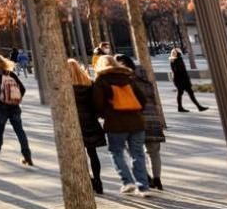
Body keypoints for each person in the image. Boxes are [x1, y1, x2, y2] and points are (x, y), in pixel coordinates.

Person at [91, 54, 150, 196]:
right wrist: (135, 111)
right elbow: (142, 100)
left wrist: (106, 113)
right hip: (136, 122)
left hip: (115, 124)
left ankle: (127, 181)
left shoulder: (101, 80)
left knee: (116, 152)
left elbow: (97, 104)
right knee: (138, 154)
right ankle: (143, 187)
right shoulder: (128, 78)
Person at [120, 54, 166, 191]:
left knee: (134, 152)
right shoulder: (146, 81)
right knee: (154, 152)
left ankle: (147, 177)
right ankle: (157, 179)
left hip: (135, 121)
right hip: (152, 120)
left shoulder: (126, 82)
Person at [0, 53, 32, 166]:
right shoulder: (10, 73)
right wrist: (16, 99)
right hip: (14, 106)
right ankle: (27, 157)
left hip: (1, 107)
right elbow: (23, 89)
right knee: (19, 131)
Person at [67, 59, 106, 195]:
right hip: (90, 122)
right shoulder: (89, 83)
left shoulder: (67, 87)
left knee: (79, 155)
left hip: (75, 123)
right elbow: (96, 102)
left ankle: (89, 180)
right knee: (93, 153)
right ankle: (98, 181)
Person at [168, 48, 205, 112]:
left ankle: (181, 108)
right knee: (187, 93)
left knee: (182, 93)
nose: (180, 53)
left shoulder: (174, 60)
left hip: (179, 80)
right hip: (182, 80)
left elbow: (177, 71)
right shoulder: (177, 60)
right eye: (179, 52)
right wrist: (186, 79)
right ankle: (198, 107)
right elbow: (179, 71)